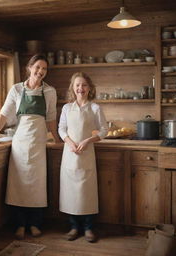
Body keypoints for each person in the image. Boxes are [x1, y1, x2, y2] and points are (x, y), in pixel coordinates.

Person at [0, 53, 60, 239]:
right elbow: (4, 114)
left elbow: (51, 118)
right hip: (20, 144)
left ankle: (35, 224)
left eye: (44, 69)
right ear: (29, 67)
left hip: (39, 143)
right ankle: (20, 224)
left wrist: (57, 139)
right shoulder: (16, 90)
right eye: (37, 67)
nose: (40, 71)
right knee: (18, 185)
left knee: (37, 185)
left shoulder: (50, 92)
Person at [58, 72, 108, 243]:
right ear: (73, 88)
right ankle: (73, 227)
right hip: (70, 154)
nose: (81, 88)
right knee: (70, 192)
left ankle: (88, 228)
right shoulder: (66, 108)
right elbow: (61, 129)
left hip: (86, 154)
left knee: (86, 192)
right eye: (77, 85)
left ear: (90, 88)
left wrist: (88, 140)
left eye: (84, 85)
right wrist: (69, 142)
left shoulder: (95, 108)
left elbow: (104, 130)